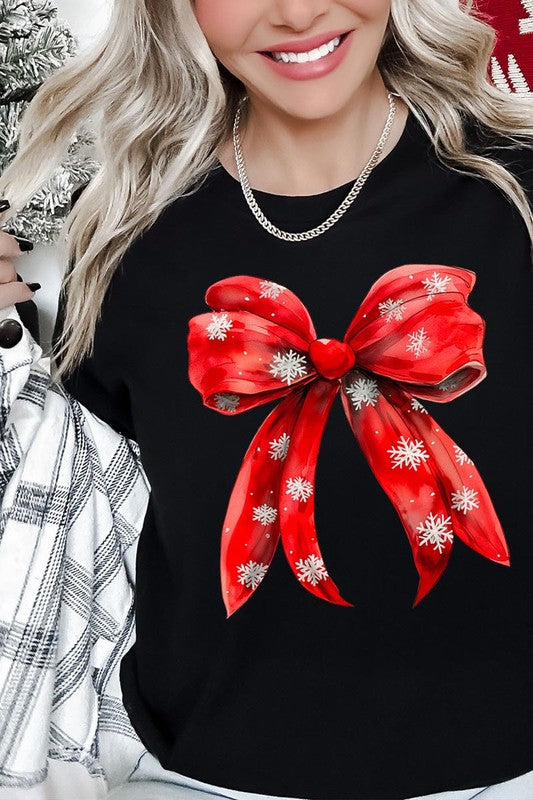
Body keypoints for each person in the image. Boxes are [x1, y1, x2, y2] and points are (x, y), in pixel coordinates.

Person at [0, 0, 532, 799]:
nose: (295, 11)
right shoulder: (121, 235)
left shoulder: (514, 192)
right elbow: (75, 507)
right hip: (197, 773)